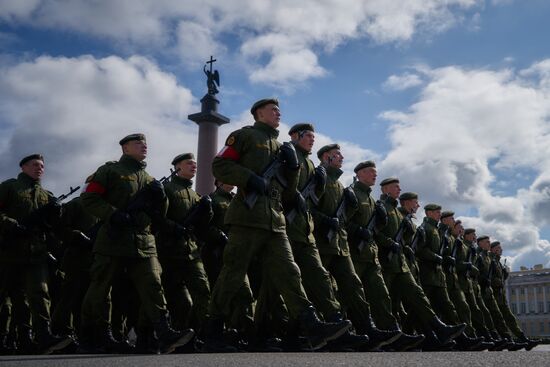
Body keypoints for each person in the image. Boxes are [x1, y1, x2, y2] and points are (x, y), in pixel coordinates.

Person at [207, 99, 351, 351]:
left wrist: (293, 167)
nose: (278, 113)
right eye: (272, 110)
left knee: (290, 273)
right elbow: (219, 166)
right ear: (259, 113)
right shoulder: (244, 136)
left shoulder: (281, 148)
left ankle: (312, 325)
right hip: (247, 217)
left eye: (279, 110)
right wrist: (249, 178)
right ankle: (212, 331)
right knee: (233, 273)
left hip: (275, 219)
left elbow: (288, 192)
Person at [79, 133, 194, 354]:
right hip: (113, 237)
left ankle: (163, 332)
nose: (144, 146)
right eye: (137, 143)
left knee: (153, 284)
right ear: (125, 148)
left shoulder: (150, 179)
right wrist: (113, 214)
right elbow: (90, 198)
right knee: (101, 288)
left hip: (143, 241)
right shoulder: (109, 171)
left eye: (145, 143)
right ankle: (94, 334)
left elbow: (159, 214)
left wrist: (162, 198)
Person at [375, 182, 465, 350]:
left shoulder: (402, 216)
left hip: (403, 265)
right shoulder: (386, 209)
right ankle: (392, 337)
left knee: (417, 298)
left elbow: (410, 243)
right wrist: (391, 243)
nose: (417, 205)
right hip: (387, 263)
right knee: (389, 302)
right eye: (414, 202)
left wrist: (407, 245)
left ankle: (437, 330)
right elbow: (375, 231)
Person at [0, 154, 72, 354]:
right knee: (9, 297)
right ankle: (7, 339)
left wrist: (57, 213)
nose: (39, 168)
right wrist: (11, 224)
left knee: (39, 294)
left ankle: (42, 336)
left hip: (36, 253)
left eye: (41, 166)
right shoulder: (10, 187)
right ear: (23, 167)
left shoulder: (46, 195)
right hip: (8, 252)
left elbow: (53, 227)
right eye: (34, 165)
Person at [347, 163, 424, 351]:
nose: (374, 174)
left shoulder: (375, 202)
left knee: (382, 297)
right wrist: (361, 232)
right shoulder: (355, 194)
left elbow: (380, 231)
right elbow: (345, 221)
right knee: (352, 295)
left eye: (375, 172)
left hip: (376, 257)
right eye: (371, 172)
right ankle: (353, 334)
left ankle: (391, 334)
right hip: (359, 254)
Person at [156, 153, 212, 339]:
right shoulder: (167, 189)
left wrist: (207, 211)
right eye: (189, 163)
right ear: (177, 167)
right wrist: (174, 228)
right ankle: (164, 335)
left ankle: (199, 334)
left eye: (195, 164)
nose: (193, 166)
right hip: (169, 251)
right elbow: (157, 218)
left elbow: (202, 226)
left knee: (203, 292)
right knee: (172, 297)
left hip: (191, 252)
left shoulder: (195, 194)